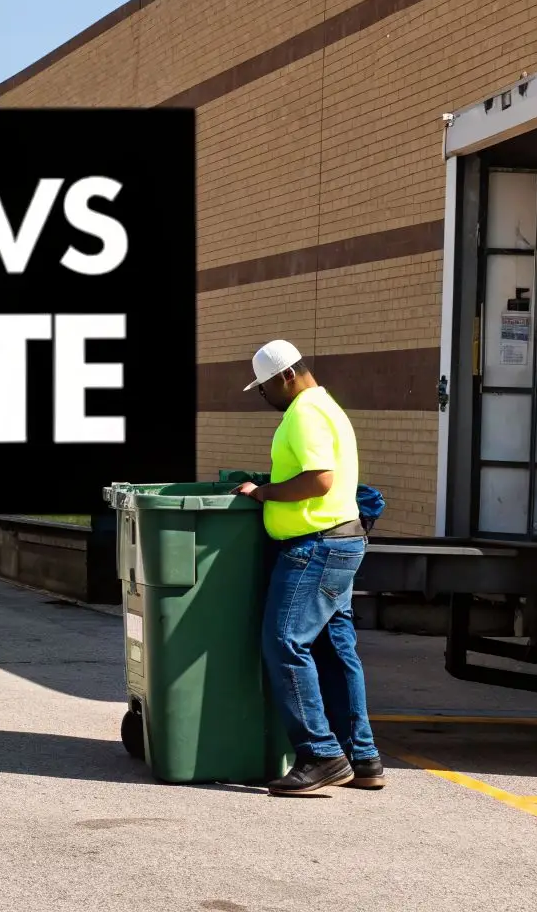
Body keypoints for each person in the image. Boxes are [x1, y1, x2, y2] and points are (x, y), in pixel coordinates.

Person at [230, 340, 383, 796]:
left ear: (284, 376)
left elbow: (319, 479)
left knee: (284, 643)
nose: (263, 396)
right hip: (339, 541)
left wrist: (262, 492)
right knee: (336, 652)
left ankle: (320, 754)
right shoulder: (327, 406)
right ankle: (363, 757)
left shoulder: (304, 413)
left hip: (314, 547)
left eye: (263, 388)